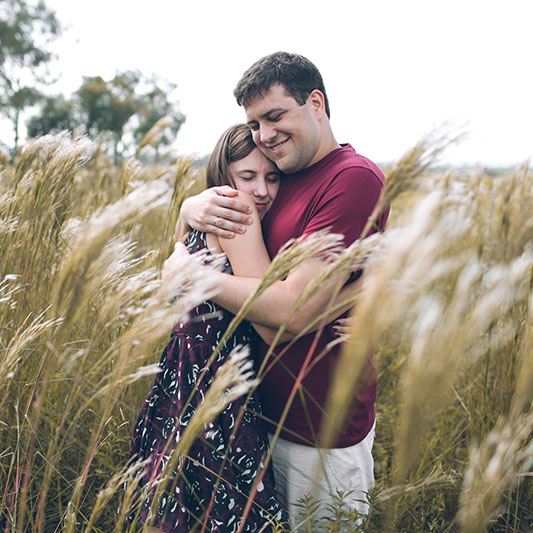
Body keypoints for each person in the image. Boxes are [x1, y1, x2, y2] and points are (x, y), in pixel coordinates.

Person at [175, 51, 390, 524]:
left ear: (316, 103)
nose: (265, 136)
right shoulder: (284, 175)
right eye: (254, 124)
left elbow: (290, 316)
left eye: (275, 116)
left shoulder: (349, 177)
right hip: (254, 419)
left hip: (318, 431)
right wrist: (189, 210)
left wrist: (202, 280)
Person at [128, 123, 354, 532]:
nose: (262, 191)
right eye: (248, 177)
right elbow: (276, 326)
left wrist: (184, 210)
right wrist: (356, 291)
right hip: (220, 403)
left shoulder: (204, 214)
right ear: (224, 176)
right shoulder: (239, 214)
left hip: (177, 392)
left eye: (272, 177)